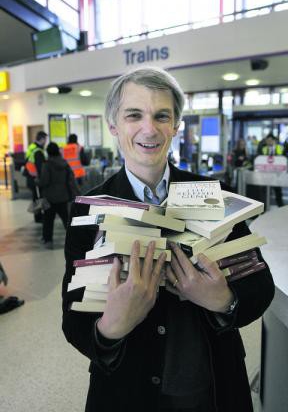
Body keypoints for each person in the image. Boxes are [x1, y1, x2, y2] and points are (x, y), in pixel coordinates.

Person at [62, 67, 275, 412]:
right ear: (114, 126)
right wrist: (111, 326)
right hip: (127, 390)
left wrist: (223, 300)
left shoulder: (212, 195)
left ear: (175, 126)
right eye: (134, 115)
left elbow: (260, 285)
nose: (149, 128)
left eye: (162, 116)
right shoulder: (87, 212)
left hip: (212, 386)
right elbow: (73, 321)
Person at [38, 142, 80, 249]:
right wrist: (75, 193)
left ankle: (48, 241)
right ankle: (74, 239)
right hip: (63, 196)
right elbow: (71, 180)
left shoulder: (47, 165)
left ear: (48, 152)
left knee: (48, 220)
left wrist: (37, 181)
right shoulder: (65, 163)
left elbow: (44, 181)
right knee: (66, 219)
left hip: (50, 197)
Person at [24, 130, 48, 223]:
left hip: (32, 177)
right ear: (42, 139)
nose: (46, 141)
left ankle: (38, 216)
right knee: (38, 197)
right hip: (35, 178)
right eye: (45, 139)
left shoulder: (33, 148)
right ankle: (38, 217)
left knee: (36, 197)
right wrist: (42, 179)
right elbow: (39, 167)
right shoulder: (38, 151)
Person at [259, 133, 284, 207]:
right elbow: (261, 158)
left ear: (274, 141)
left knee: (278, 191)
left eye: (270, 140)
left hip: (276, 173)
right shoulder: (264, 148)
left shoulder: (280, 147)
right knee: (264, 192)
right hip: (266, 173)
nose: (268, 142)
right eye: (267, 140)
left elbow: (282, 158)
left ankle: (280, 207)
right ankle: (264, 208)